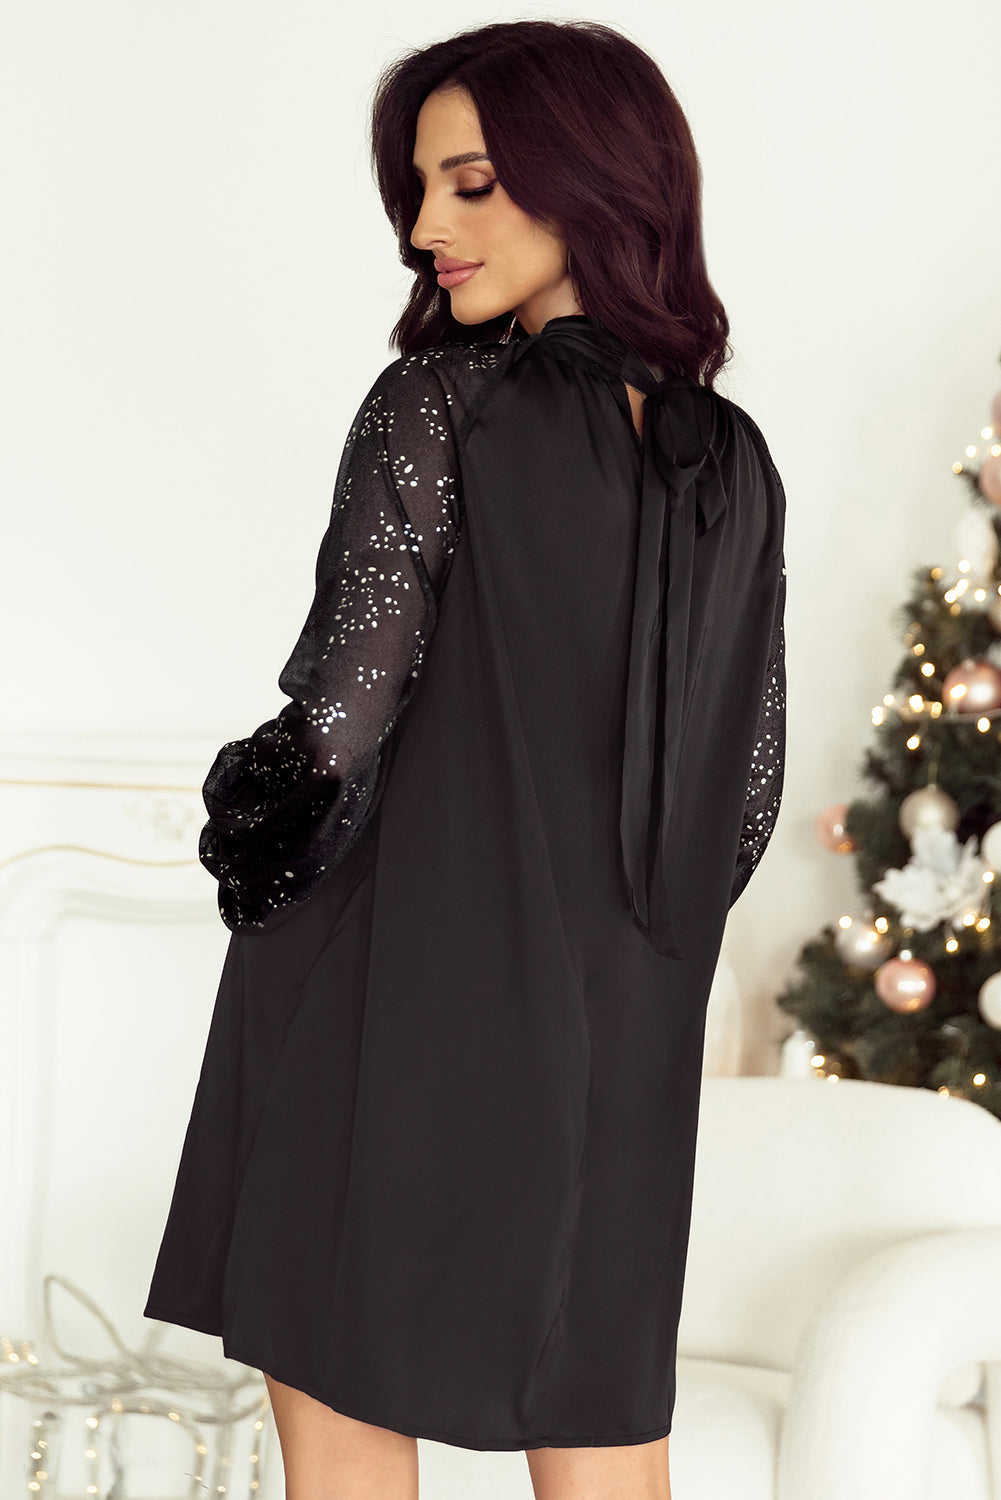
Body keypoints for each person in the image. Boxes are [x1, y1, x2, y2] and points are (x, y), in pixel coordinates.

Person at [143, 18, 787, 1500]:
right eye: (421, 188)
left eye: (473, 183)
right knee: (601, 1427)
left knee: (343, 1409)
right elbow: (742, 793)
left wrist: (247, 824)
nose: (428, 225)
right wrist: (613, 967)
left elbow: (337, 727)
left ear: (596, 181)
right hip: (620, 1041)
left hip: (392, 995)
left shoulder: (440, 408)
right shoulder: (733, 461)